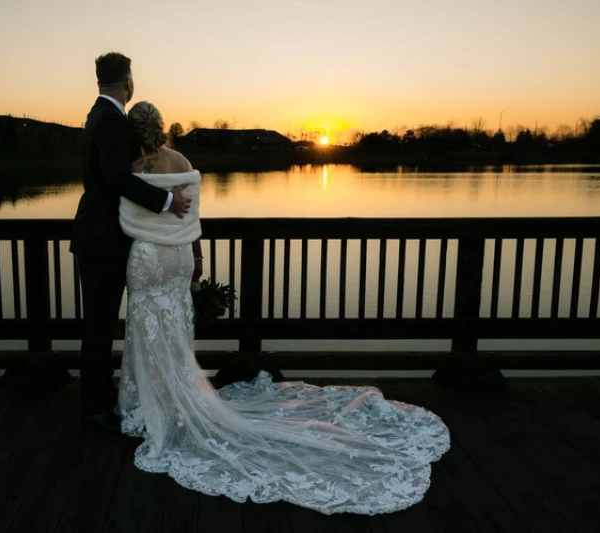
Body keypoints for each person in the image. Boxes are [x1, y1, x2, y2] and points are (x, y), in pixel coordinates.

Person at [117, 101, 451, 515]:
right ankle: (175, 398)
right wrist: (198, 265)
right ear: (163, 127)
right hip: (181, 257)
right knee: (175, 332)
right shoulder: (181, 159)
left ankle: (150, 407)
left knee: (148, 328)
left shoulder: (131, 167)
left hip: (149, 257)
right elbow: (192, 219)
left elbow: (124, 214)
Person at [70, 53, 191, 432]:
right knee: (99, 327)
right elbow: (117, 179)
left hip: (102, 239)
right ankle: (94, 406)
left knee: (100, 325)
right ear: (127, 82)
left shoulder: (101, 116)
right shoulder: (109, 120)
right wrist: (168, 201)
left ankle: (102, 397)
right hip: (101, 242)